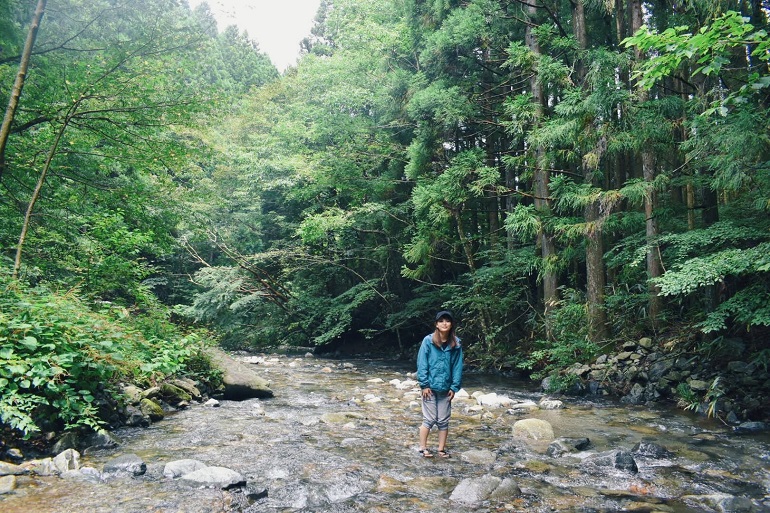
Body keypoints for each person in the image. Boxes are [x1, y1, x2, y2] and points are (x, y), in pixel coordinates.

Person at [416, 310, 463, 458]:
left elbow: (457, 366)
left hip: (446, 389)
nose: (444, 323)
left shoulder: (456, 343)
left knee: (443, 421)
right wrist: (424, 385)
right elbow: (422, 363)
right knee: (429, 420)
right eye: (441, 321)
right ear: (436, 324)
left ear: (451, 324)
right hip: (429, 388)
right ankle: (423, 448)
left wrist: (454, 387)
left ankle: (441, 450)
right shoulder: (428, 341)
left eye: (447, 321)